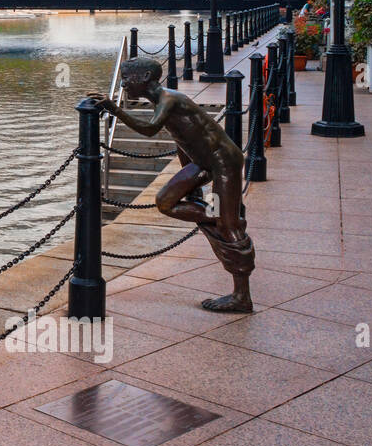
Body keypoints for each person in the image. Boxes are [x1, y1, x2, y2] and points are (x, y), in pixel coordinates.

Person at [90, 57, 255, 312]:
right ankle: (216, 217)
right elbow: (183, 140)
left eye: (127, 77)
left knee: (230, 228)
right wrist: (192, 183)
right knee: (165, 203)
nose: (122, 83)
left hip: (224, 163)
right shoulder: (162, 102)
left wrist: (116, 110)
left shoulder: (169, 98)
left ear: (145, 77)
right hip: (203, 163)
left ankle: (241, 296)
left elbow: (150, 129)